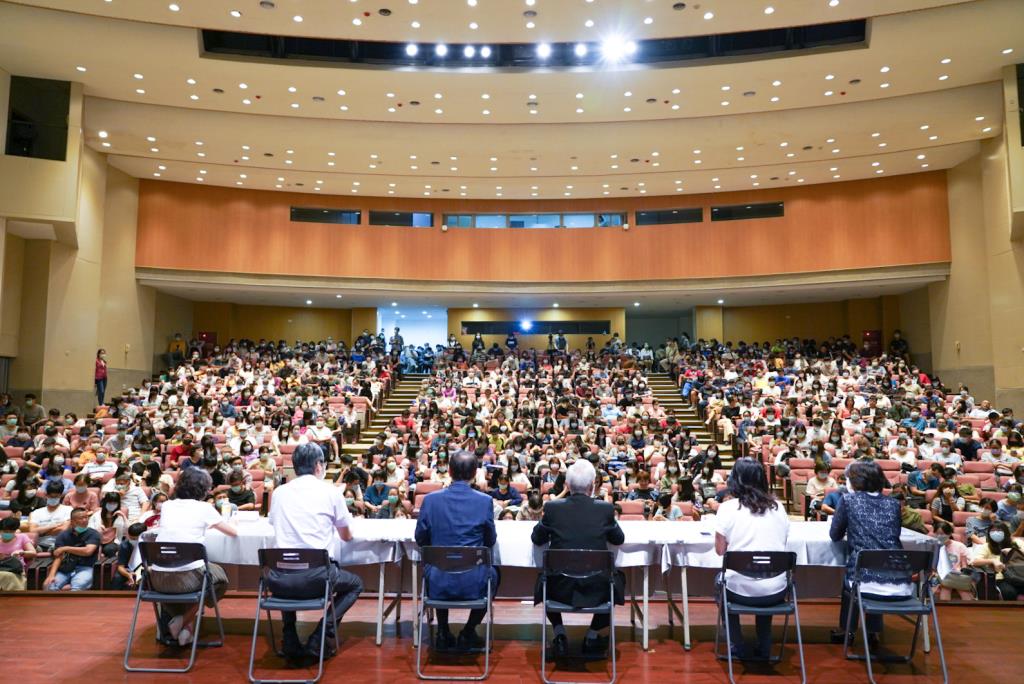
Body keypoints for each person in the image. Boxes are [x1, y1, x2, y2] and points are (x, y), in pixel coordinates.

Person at [268, 443, 364, 660]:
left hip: (279, 580)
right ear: (319, 466)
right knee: (356, 584)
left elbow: (273, 522)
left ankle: (289, 636)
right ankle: (320, 636)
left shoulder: (280, 492)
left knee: (289, 563)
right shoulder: (330, 492)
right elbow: (346, 536)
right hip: (317, 579)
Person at [531, 459, 624, 659]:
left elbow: (537, 538)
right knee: (617, 580)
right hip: (596, 589)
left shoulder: (553, 508)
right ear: (592, 486)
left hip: (559, 588)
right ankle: (591, 636)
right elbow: (619, 539)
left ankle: (559, 633)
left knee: (545, 578)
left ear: (568, 485)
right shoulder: (605, 510)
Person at [414, 449, 499, 651]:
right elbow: (490, 540)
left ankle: (443, 630)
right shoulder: (484, 501)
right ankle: (468, 631)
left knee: (440, 564)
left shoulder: (431, 500)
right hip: (473, 581)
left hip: (437, 581)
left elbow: (420, 539)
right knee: (495, 574)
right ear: (474, 473)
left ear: (449, 471)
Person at [714, 457, 791, 660]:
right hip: (776, 590)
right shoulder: (779, 507)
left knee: (720, 582)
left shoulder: (727, 508)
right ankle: (765, 645)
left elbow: (720, 551)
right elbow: (781, 543)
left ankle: (736, 644)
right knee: (766, 577)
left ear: (735, 480)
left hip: (739, 590)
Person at [152, 467, 237, 647]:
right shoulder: (204, 508)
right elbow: (232, 532)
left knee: (191, 580)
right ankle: (183, 621)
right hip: (187, 579)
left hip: (157, 579)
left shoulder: (167, 505)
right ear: (203, 489)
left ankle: (186, 627)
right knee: (219, 578)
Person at [829, 460, 912, 644]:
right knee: (878, 563)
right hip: (901, 582)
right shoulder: (893, 504)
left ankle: (847, 631)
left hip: (865, 583)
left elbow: (835, 534)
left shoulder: (848, 500)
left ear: (857, 481)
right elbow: (892, 535)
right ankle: (873, 632)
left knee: (853, 577)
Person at [43, 507, 100, 591]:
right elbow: (58, 557)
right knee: (49, 586)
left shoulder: (93, 534)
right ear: (72, 521)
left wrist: (65, 548)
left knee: (77, 586)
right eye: (81, 518)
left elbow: (88, 551)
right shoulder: (63, 535)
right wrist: (51, 576)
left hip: (85, 568)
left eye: (86, 517)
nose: (85, 520)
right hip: (65, 569)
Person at [932, 521, 973, 601]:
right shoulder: (932, 546)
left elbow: (967, 563)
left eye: (943, 534)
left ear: (949, 534)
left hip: (958, 575)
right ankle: (946, 612)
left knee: (960, 586)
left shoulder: (959, 546)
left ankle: (970, 611)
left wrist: (963, 569)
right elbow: (932, 567)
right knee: (946, 587)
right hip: (939, 576)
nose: (940, 536)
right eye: (937, 533)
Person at [0, 516, 37, 591]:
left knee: (8, 576)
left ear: (15, 531)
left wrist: (21, 553)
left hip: (15, 569)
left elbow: (33, 553)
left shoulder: (22, 537)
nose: (7, 533)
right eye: (5, 531)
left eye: (10, 531)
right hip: (1, 567)